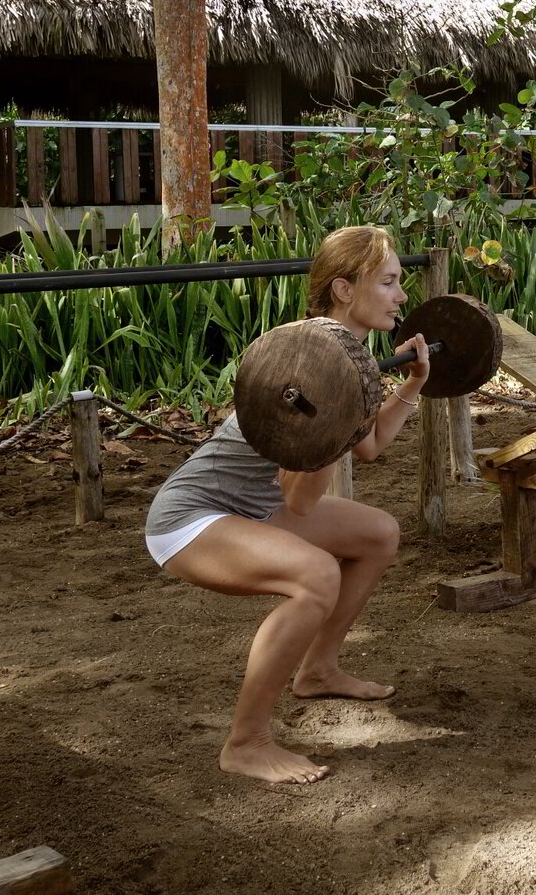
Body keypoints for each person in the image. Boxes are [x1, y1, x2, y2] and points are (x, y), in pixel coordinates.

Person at [144, 226, 430, 784]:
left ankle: (319, 671)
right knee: (315, 574)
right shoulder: (307, 354)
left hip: (255, 505)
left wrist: (412, 384)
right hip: (193, 517)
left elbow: (367, 447)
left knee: (378, 534)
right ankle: (247, 741)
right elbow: (300, 503)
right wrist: (329, 424)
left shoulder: (350, 354)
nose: (401, 296)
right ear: (345, 290)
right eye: (390, 282)